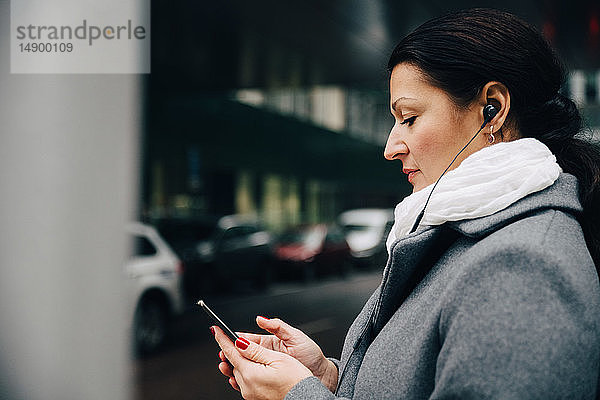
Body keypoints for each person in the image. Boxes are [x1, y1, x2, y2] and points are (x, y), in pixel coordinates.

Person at [212, 8, 600, 399]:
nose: (390, 147)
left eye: (409, 117)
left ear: (493, 109)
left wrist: (296, 396)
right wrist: (329, 378)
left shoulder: (523, 265)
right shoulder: (468, 235)